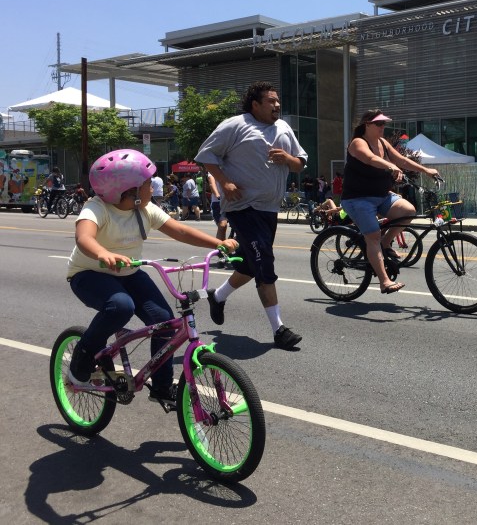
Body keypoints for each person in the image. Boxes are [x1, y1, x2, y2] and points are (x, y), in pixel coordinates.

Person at [65, 149, 238, 406]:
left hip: (129, 273)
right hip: (89, 274)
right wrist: (103, 253)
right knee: (120, 306)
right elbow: (84, 237)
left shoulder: (145, 209)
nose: (154, 187)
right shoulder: (97, 208)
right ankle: (83, 355)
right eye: (148, 183)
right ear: (130, 191)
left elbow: (179, 230)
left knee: (165, 322)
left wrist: (218, 243)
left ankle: (162, 387)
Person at [195, 81, 308, 348]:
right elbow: (206, 155)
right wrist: (225, 182)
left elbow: (300, 163)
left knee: (250, 264)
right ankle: (279, 330)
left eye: (278, 101)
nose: (277, 105)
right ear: (255, 105)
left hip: (270, 208)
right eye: (271, 101)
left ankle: (218, 297)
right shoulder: (235, 125)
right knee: (264, 262)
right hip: (242, 207)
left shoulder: (283, 128)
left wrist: (288, 159)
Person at [341, 109, 439, 294]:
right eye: (379, 123)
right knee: (373, 236)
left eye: (384, 123)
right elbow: (370, 159)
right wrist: (390, 166)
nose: (382, 127)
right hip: (358, 199)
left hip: (382, 196)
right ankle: (384, 281)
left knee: (408, 211)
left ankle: (385, 244)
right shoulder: (357, 143)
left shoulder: (383, 143)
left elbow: (402, 160)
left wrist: (426, 171)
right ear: (367, 124)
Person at [207, 171, 229, 243]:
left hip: (233, 201)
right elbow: (212, 184)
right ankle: (220, 247)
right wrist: (218, 195)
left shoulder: (230, 168)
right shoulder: (212, 170)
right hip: (218, 202)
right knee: (222, 225)